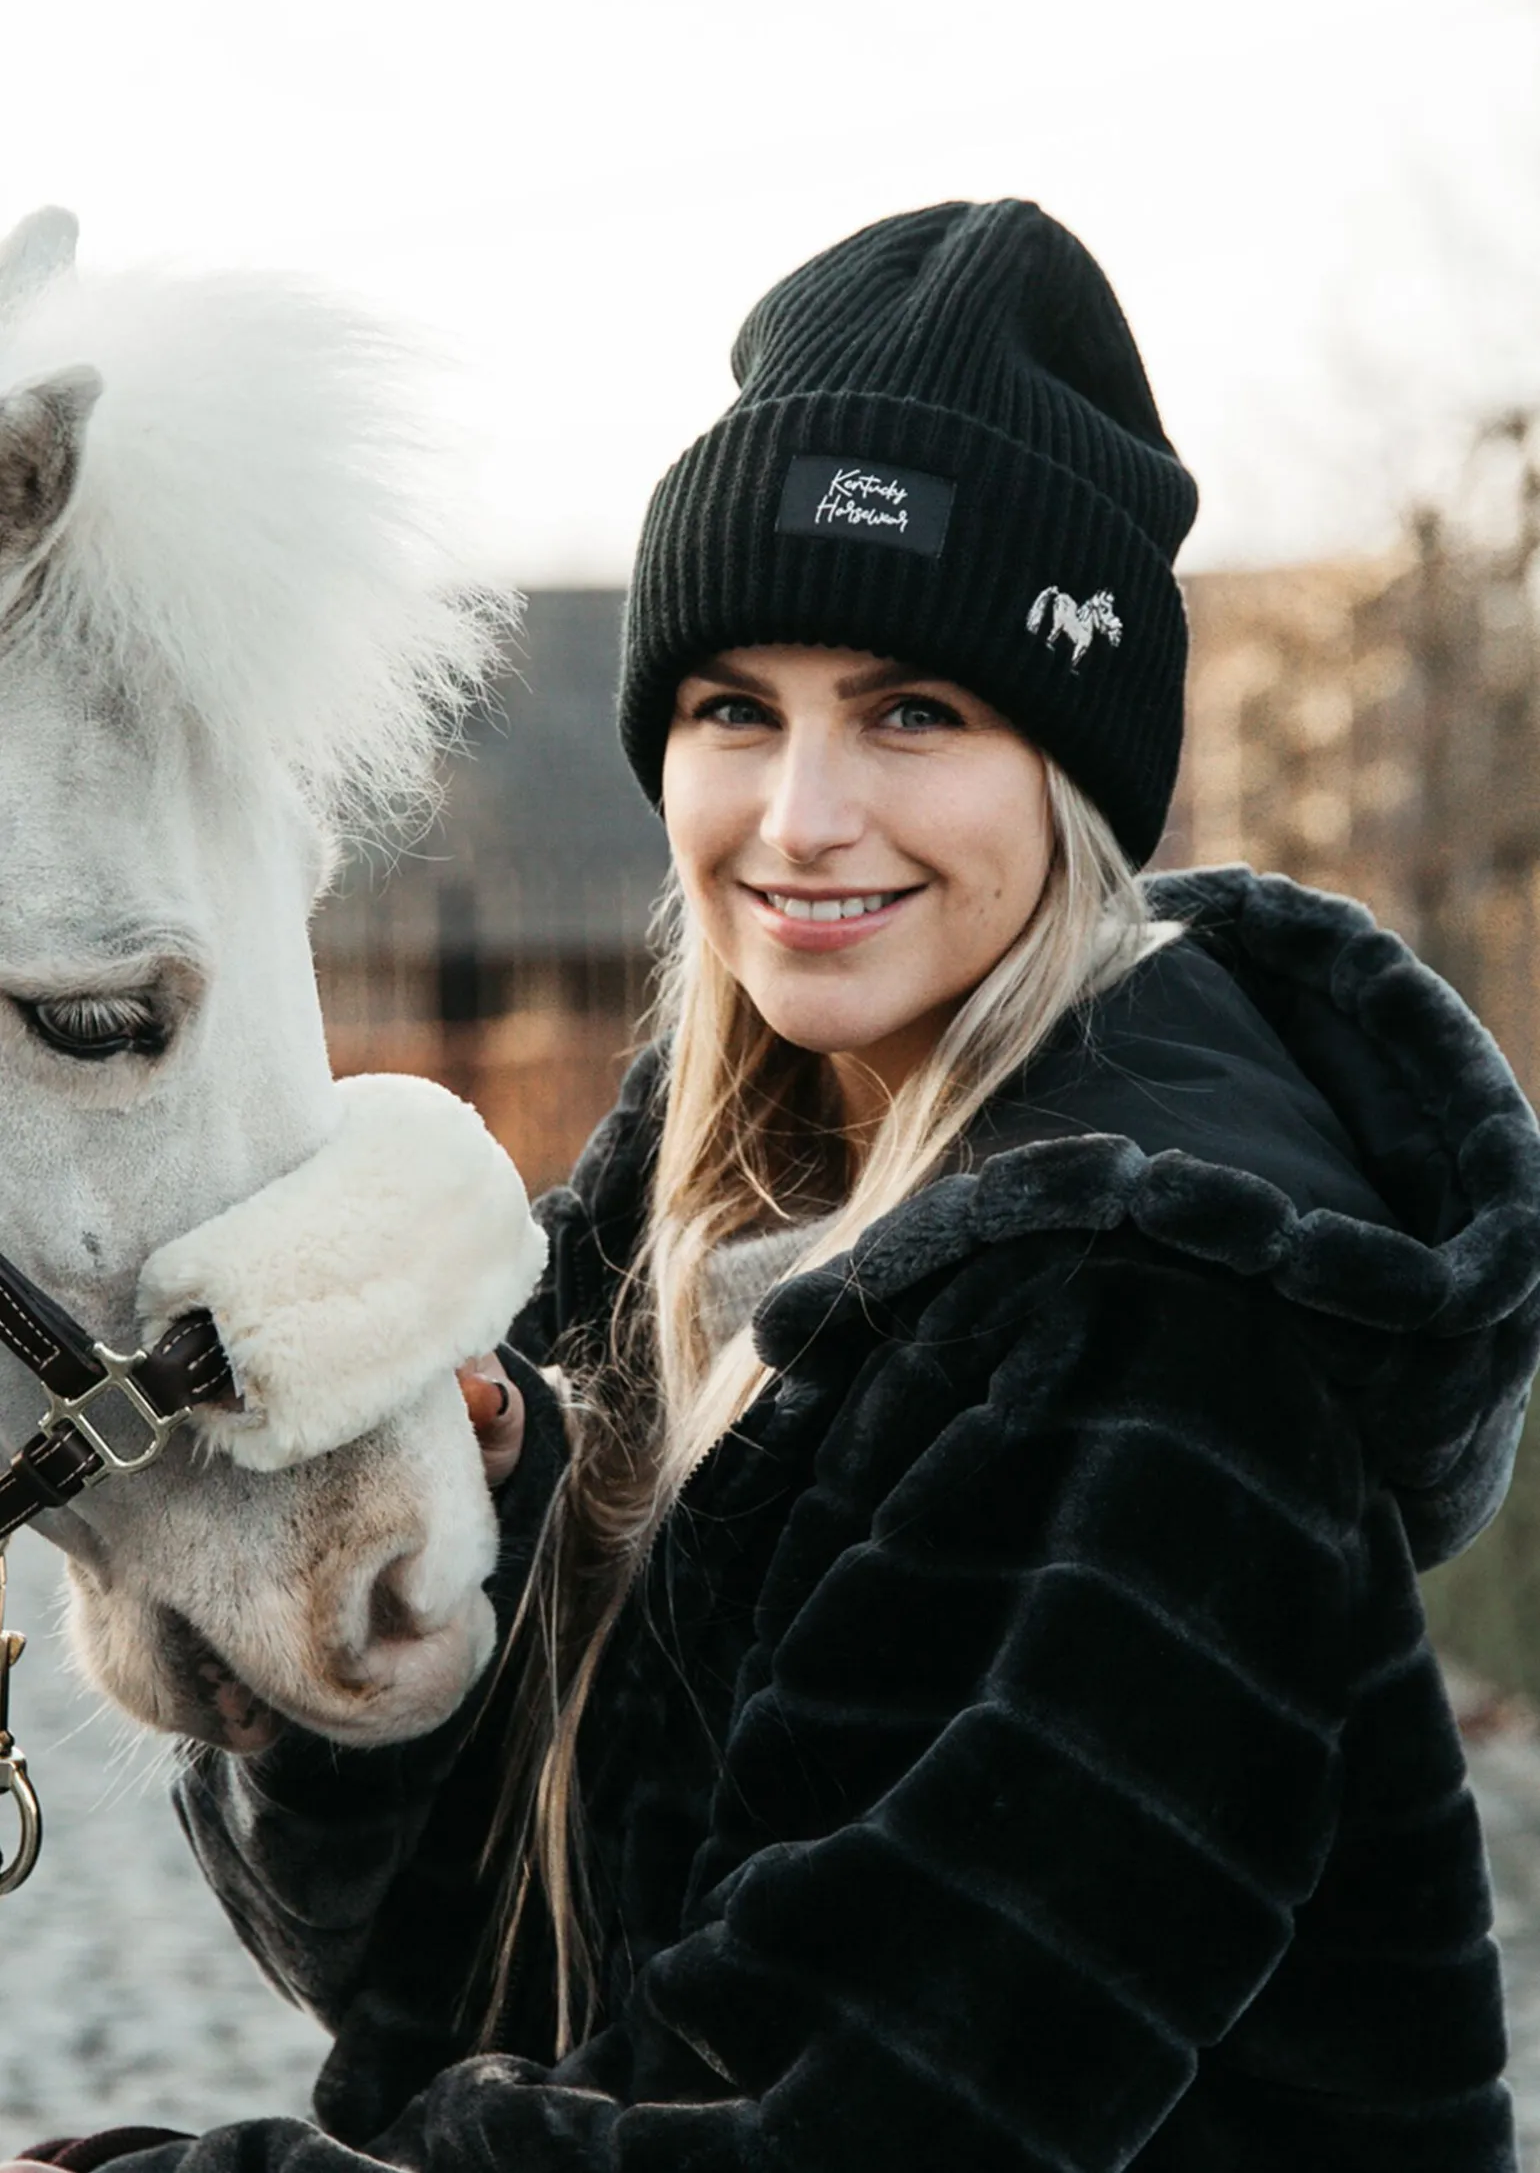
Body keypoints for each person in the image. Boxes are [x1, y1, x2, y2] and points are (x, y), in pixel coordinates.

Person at [16, 199, 1540, 2173]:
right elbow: (458, 2004)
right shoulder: (675, 1233)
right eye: (736, 706)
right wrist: (433, 1611)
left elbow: (846, 2136)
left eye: (914, 711)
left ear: (1071, 768)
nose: (802, 817)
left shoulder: (1157, 1330)